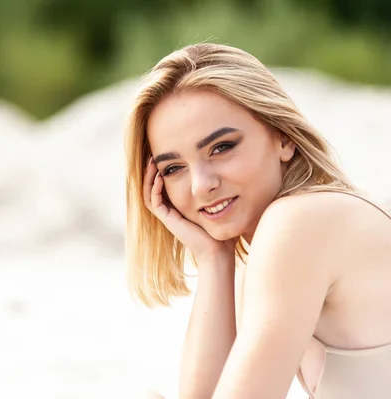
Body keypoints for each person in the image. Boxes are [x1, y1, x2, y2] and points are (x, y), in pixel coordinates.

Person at [124, 43, 391, 399]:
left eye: (221, 147)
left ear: (282, 137)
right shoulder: (283, 238)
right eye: (174, 169)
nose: (202, 185)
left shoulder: (299, 223)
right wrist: (214, 258)